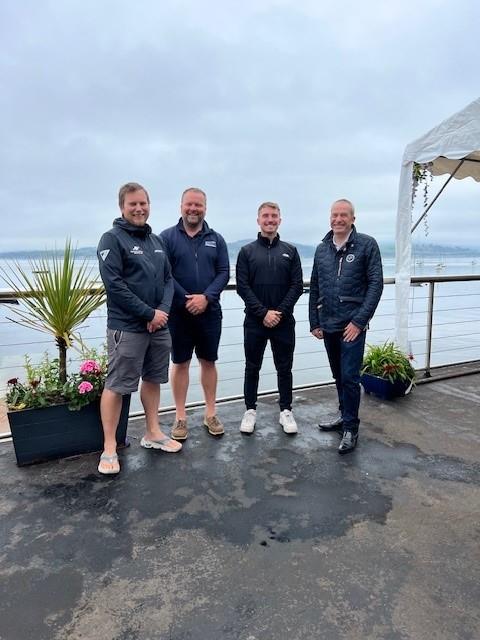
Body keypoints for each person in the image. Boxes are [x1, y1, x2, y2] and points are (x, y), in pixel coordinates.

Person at [96, 182, 182, 475]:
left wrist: (163, 312)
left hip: (158, 326)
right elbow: (115, 286)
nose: (139, 208)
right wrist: (147, 313)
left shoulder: (156, 241)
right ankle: (109, 446)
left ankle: (153, 433)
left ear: (149, 205)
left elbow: (169, 280)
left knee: (154, 378)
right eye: (133, 204)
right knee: (117, 385)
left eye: (143, 203)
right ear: (122, 207)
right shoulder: (111, 239)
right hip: (127, 327)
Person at [309, 198, 383, 454]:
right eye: (334, 215)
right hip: (328, 323)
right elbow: (315, 287)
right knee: (338, 375)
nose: (338, 219)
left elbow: (376, 285)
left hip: (352, 324)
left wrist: (360, 322)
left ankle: (351, 427)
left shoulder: (366, 245)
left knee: (350, 377)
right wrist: (314, 322)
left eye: (343, 215)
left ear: (353, 218)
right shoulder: (321, 248)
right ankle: (344, 416)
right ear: (330, 218)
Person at [160, 188, 230, 440]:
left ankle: (210, 413)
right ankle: (180, 417)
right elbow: (164, 274)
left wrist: (206, 298)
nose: (193, 209)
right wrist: (187, 299)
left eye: (198, 205)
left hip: (210, 312)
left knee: (208, 361)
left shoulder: (216, 239)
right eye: (189, 204)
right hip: (178, 313)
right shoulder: (166, 238)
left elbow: (223, 272)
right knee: (180, 363)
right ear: (181, 206)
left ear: (205, 208)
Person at [236, 202, 303, 434]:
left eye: (274, 216)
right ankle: (250, 411)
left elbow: (297, 286)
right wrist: (263, 313)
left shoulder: (291, 251)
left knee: (285, 368)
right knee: (251, 367)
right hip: (255, 321)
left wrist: (279, 313)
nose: (270, 220)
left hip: (284, 322)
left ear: (280, 220)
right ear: (258, 220)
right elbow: (242, 287)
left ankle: (286, 410)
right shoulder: (246, 252)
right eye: (265, 216)